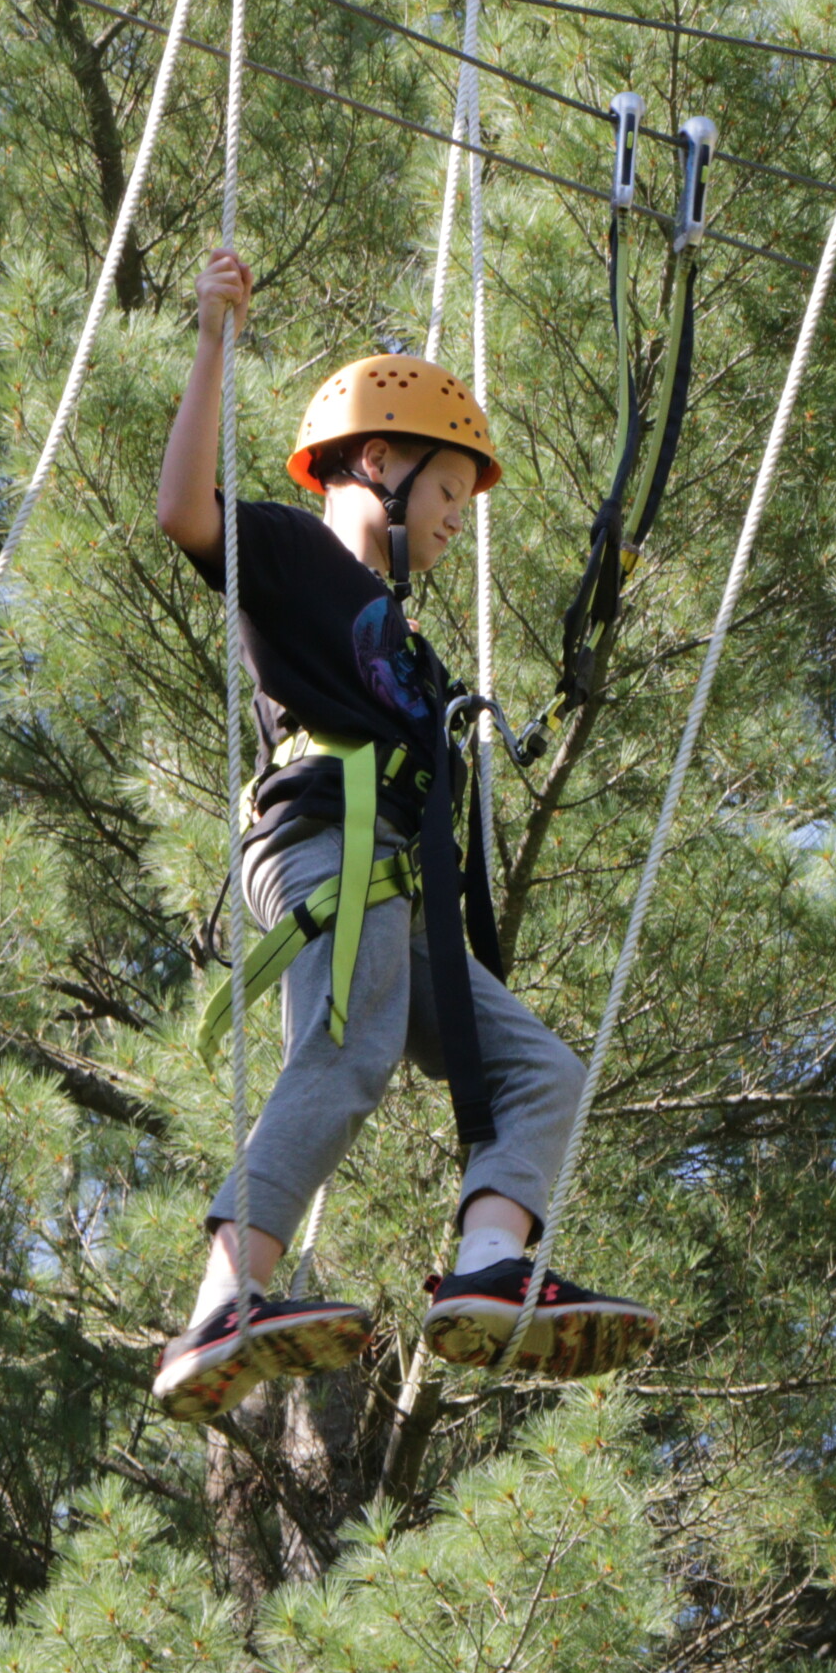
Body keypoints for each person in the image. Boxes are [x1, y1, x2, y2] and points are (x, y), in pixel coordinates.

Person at [147, 247, 659, 1426]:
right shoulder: (288, 554)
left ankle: (488, 1264)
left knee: (541, 1073)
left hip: (400, 891)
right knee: (350, 1050)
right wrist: (214, 340)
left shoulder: (412, 647)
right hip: (322, 842)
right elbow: (182, 511)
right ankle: (224, 1299)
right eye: (443, 495)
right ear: (378, 462)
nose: (450, 523)